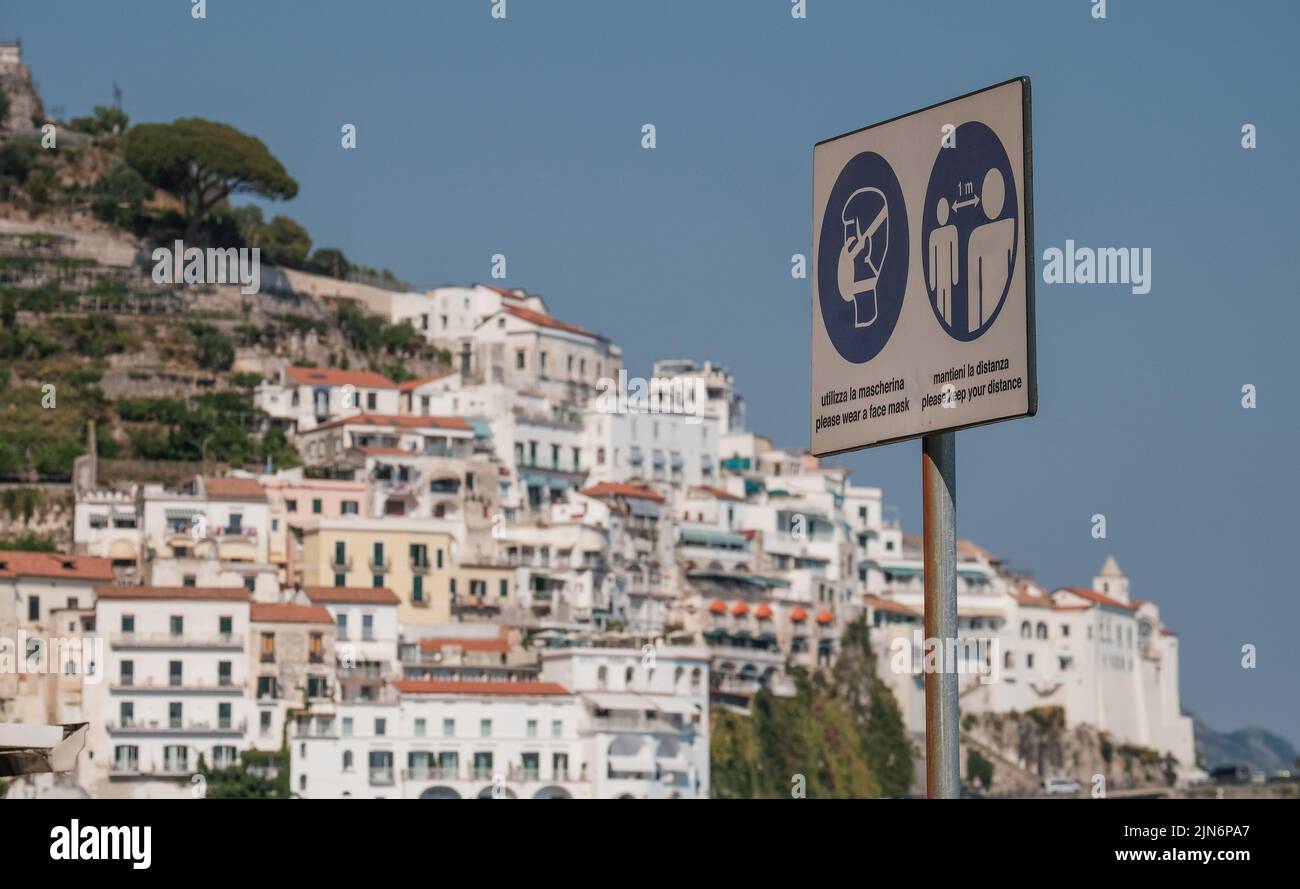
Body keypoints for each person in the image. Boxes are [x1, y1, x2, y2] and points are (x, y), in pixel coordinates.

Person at [965, 168, 1015, 333]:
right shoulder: (977, 236)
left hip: (1002, 315)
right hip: (987, 313)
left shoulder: (1008, 228)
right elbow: (973, 288)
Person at [927, 196, 959, 326]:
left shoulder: (952, 231)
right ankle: (945, 321)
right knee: (940, 303)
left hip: (947, 276)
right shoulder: (934, 235)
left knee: (948, 303)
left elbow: (954, 254)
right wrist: (932, 282)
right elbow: (932, 260)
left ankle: (948, 322)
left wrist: (955, 277)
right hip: (939, 277)